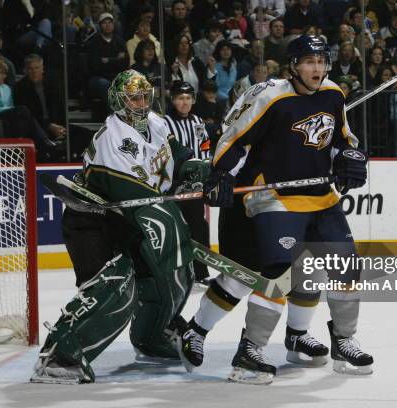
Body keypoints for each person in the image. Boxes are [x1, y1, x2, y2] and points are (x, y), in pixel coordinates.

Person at [178, 35, 373, 385]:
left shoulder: (333, 94)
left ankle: (341, 340)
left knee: (345, 266)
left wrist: (347, 157)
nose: (317, 68)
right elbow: (235, 139)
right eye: (310, 61)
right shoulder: (270, 96)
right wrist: (221, 173)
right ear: (294, 65)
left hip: (319, 194)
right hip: (275, 195)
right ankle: (247, 351)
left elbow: (339, 140)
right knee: (273, 273)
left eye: (322, 61)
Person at [31, 70, 207, 384]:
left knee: (166, 276)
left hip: (131, 217)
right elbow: (129, 192)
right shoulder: (112, 137)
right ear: (118, 100)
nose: (141, 103)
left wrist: (192, 166)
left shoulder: (156, 122)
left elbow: (175, 155)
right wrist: (172, 200)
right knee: (116, 286)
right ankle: (60, 355)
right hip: (94, 221)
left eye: (145, 96)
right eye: (134, 97)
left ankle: (152, 336)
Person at [164, 80, 211, 284]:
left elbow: (205, 148)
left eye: (188, 98)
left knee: (198, 227)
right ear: (173, 100)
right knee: (173, 228)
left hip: (194, 185)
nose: (184, 102)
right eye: (180, 98)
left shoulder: (198, 122)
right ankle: (174, 273)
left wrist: (204, 171)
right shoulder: (163, 123)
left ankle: (201, 273)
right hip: (171, 185)